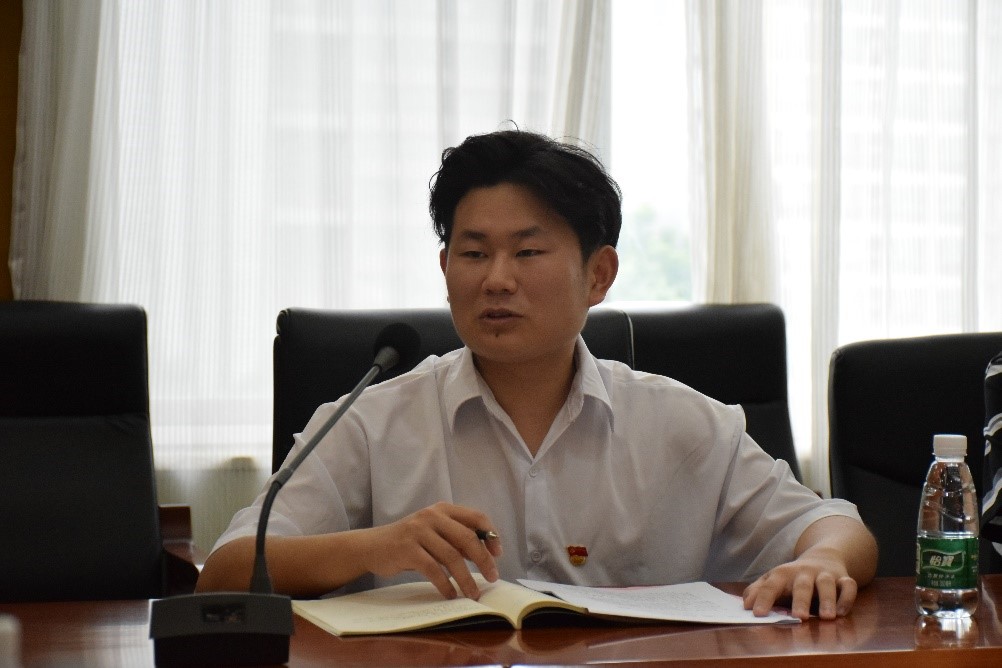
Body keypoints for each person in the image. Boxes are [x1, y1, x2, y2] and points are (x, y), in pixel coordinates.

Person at [197, 129, 877, 621]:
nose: (496, 279)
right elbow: (225, 573)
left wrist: (823, 560)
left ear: (598, 275)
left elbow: (835, 526)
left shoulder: (682, 424)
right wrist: (376, 547)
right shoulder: (372, 421)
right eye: (473, 253)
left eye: (527, 252)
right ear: (445, 270)